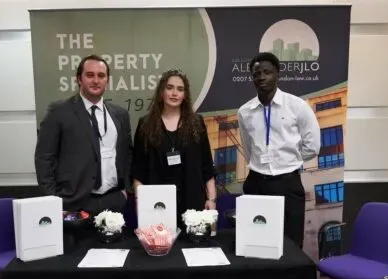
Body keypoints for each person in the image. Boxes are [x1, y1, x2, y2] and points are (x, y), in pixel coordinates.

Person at [237, 52, 320, 248]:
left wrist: (289, 160)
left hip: (287, 183)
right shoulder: (244, 112)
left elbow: (313, 146)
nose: (262, 77)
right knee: (256, 242)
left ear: (277, 74)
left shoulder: (297, 106)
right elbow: (248, 148)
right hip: (256, 183)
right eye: (257, 74)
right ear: (252, 78)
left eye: (267, 72)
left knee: (291, 244)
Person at [35, 54, 133, 216]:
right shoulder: (59, 112)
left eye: (101, 76)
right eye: (90, 75)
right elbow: (44, 158)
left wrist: (125, 190)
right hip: (75, 204)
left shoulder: (120, 114)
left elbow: (128, 153)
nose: (96, 80)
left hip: (114, 201)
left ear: (107, 81)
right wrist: (54, 200)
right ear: (79, 79)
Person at [132, 69, 217, 228]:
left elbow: (207, 164)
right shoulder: (145, 125)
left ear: (185, 95)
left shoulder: (196, 123)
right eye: (169, 87)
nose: (174, 93)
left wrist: (211, 199)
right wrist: (140, 201)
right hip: (157, 205)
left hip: (192, 201)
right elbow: (138, 170)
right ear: (161, 92)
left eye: (180, 89)